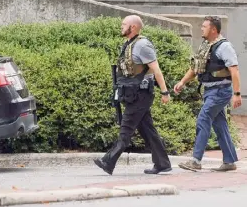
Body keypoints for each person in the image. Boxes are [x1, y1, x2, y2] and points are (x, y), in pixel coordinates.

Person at [93, 15, 172, 175]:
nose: (121, 27)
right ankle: (162, 163)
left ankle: (108, 161)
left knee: (126, 128)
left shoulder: (143, 45)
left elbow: (156, 70)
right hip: (132, 94)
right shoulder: (128, 44)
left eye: (124, 24)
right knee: (147, 130)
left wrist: (164, 91)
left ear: (134, 27)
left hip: (141, 94)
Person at [174, 16, 242, 172]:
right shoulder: (206, 45)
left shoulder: (224, 47)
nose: (201, 29)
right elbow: (196, 67)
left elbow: (234, 70)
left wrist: (237, 94)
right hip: (210, 91)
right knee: (220, 125)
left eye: (204, 26)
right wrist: (182, 82)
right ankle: (229, 161)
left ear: (213, 29)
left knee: (204, 118)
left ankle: (196, 160)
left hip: (221, 91)